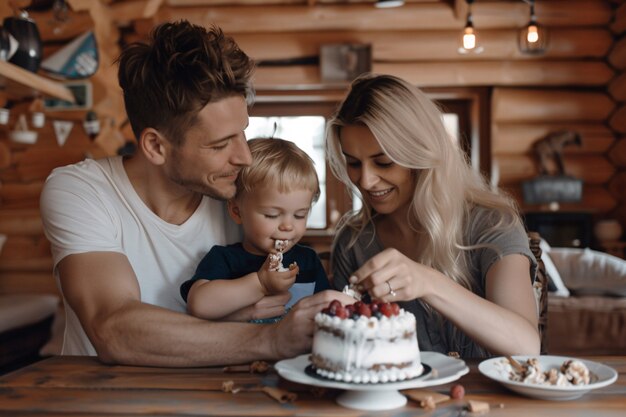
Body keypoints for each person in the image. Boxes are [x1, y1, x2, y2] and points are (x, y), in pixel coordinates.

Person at [39, 20, 350, 367]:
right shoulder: (83, 190)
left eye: (242, 134)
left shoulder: (244, 193)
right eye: (220, 144)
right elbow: (114, 327)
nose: (244, 157)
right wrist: (268, 337)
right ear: (156, 146)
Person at [326, 73, 541, 358]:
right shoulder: (353, 242)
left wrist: (428, 282)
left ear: (420, 155)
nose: (365, 181)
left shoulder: (491, 224)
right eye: (353, 163)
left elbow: (527, 346)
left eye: (383, 162)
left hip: (490, 401)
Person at [181, 138, 330, 323]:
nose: (288, 226)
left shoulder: (308, 261)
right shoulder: (226, 259)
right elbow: (198, 305)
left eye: (300, 215)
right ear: (237, 212)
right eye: (272, 215)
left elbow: (327, 310)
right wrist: (260, 284)